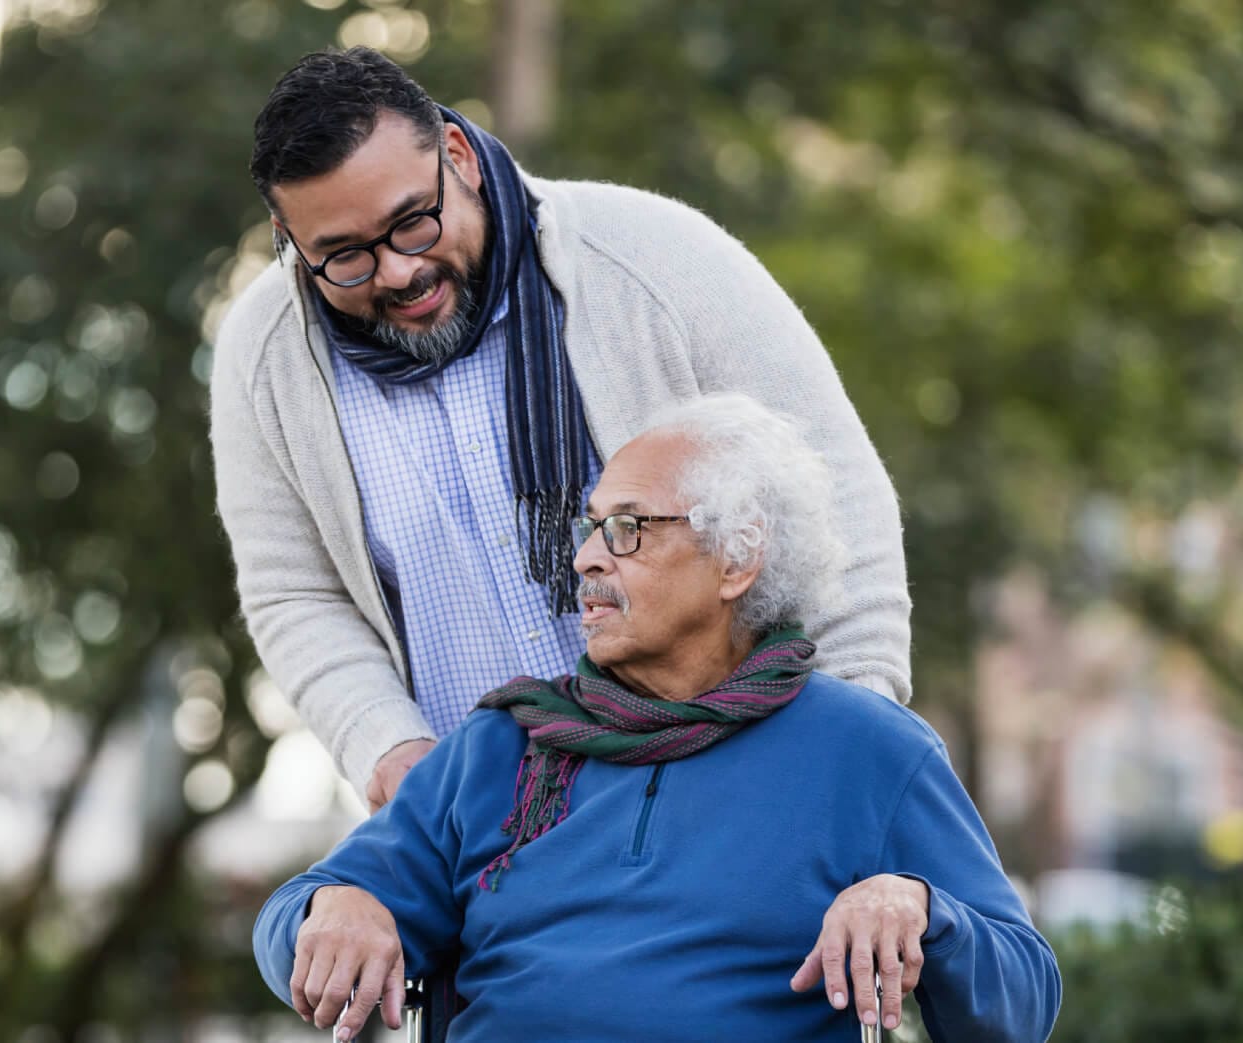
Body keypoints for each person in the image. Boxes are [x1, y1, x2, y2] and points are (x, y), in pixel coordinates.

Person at [210, 47, 912, 810]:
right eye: (343, 255)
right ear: (287, 234)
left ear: (457, 155)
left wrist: (851, 749)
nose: (396, 272)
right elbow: (294, 592)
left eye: (413, 222)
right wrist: (388, 748)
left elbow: (835, 496)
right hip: (491, 843)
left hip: (734, 800)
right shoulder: (264, 356)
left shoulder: (659, 258)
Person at [252, 394, 1061, 1042]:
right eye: (591, 526)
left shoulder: (870, 750)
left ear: (739, 558)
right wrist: (333, 907)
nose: (587, 558)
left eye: (628, 529)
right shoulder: (503, 745)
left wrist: (922, 907)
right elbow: (293, 916)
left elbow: (1022, 1003)